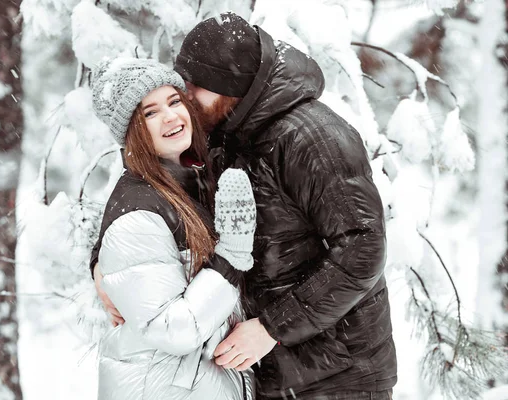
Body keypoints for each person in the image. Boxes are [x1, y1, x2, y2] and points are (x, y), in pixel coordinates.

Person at [94, 12, 397, 400]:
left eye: (191, 88)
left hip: (337, 375)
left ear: (228, 85)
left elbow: (362, 248)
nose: (185, 101)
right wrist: (103, 261)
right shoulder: (227, 134)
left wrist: (273, 327)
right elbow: (158, 201)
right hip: (268, 373)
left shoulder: (311, 137)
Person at [88, 57, 257, 400]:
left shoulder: (188, 179)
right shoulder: (138, 211)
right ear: (132, 131)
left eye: (174, 101)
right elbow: (173, 330)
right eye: (149, 113)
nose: (170, 116)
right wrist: (231, 258)